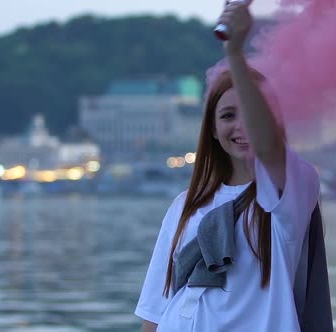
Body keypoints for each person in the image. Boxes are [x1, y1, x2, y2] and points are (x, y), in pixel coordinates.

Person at [135, 2, 322, 331]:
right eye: (227, 116)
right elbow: (155, 308)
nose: (241, 127)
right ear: (211, 129)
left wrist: (235, 53)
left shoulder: (292, 190)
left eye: (250, 115)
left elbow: (267, 147)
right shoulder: (184, 205)